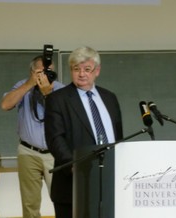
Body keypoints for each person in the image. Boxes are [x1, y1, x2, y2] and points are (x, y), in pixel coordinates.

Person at [44, 46, 123, 218]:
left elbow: (118, 136)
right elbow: (55, 138)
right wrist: (74, 166)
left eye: (87, 69)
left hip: (108, 180)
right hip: (73, 182)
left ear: (97, 71)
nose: (81, 74)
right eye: (76, 69)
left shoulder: (110, 98)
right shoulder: (57, 100)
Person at [1, 55, 64, 218]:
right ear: (32, 71)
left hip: (54, 153)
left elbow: (64, 118)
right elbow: (5, 104)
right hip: (28, 152)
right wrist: (30, 83)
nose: (45, 75)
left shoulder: (60, 89)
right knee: (30, 204)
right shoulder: (22, 86)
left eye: (49, 71)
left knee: (62, 199)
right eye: (40, 71)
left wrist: (48, 94)